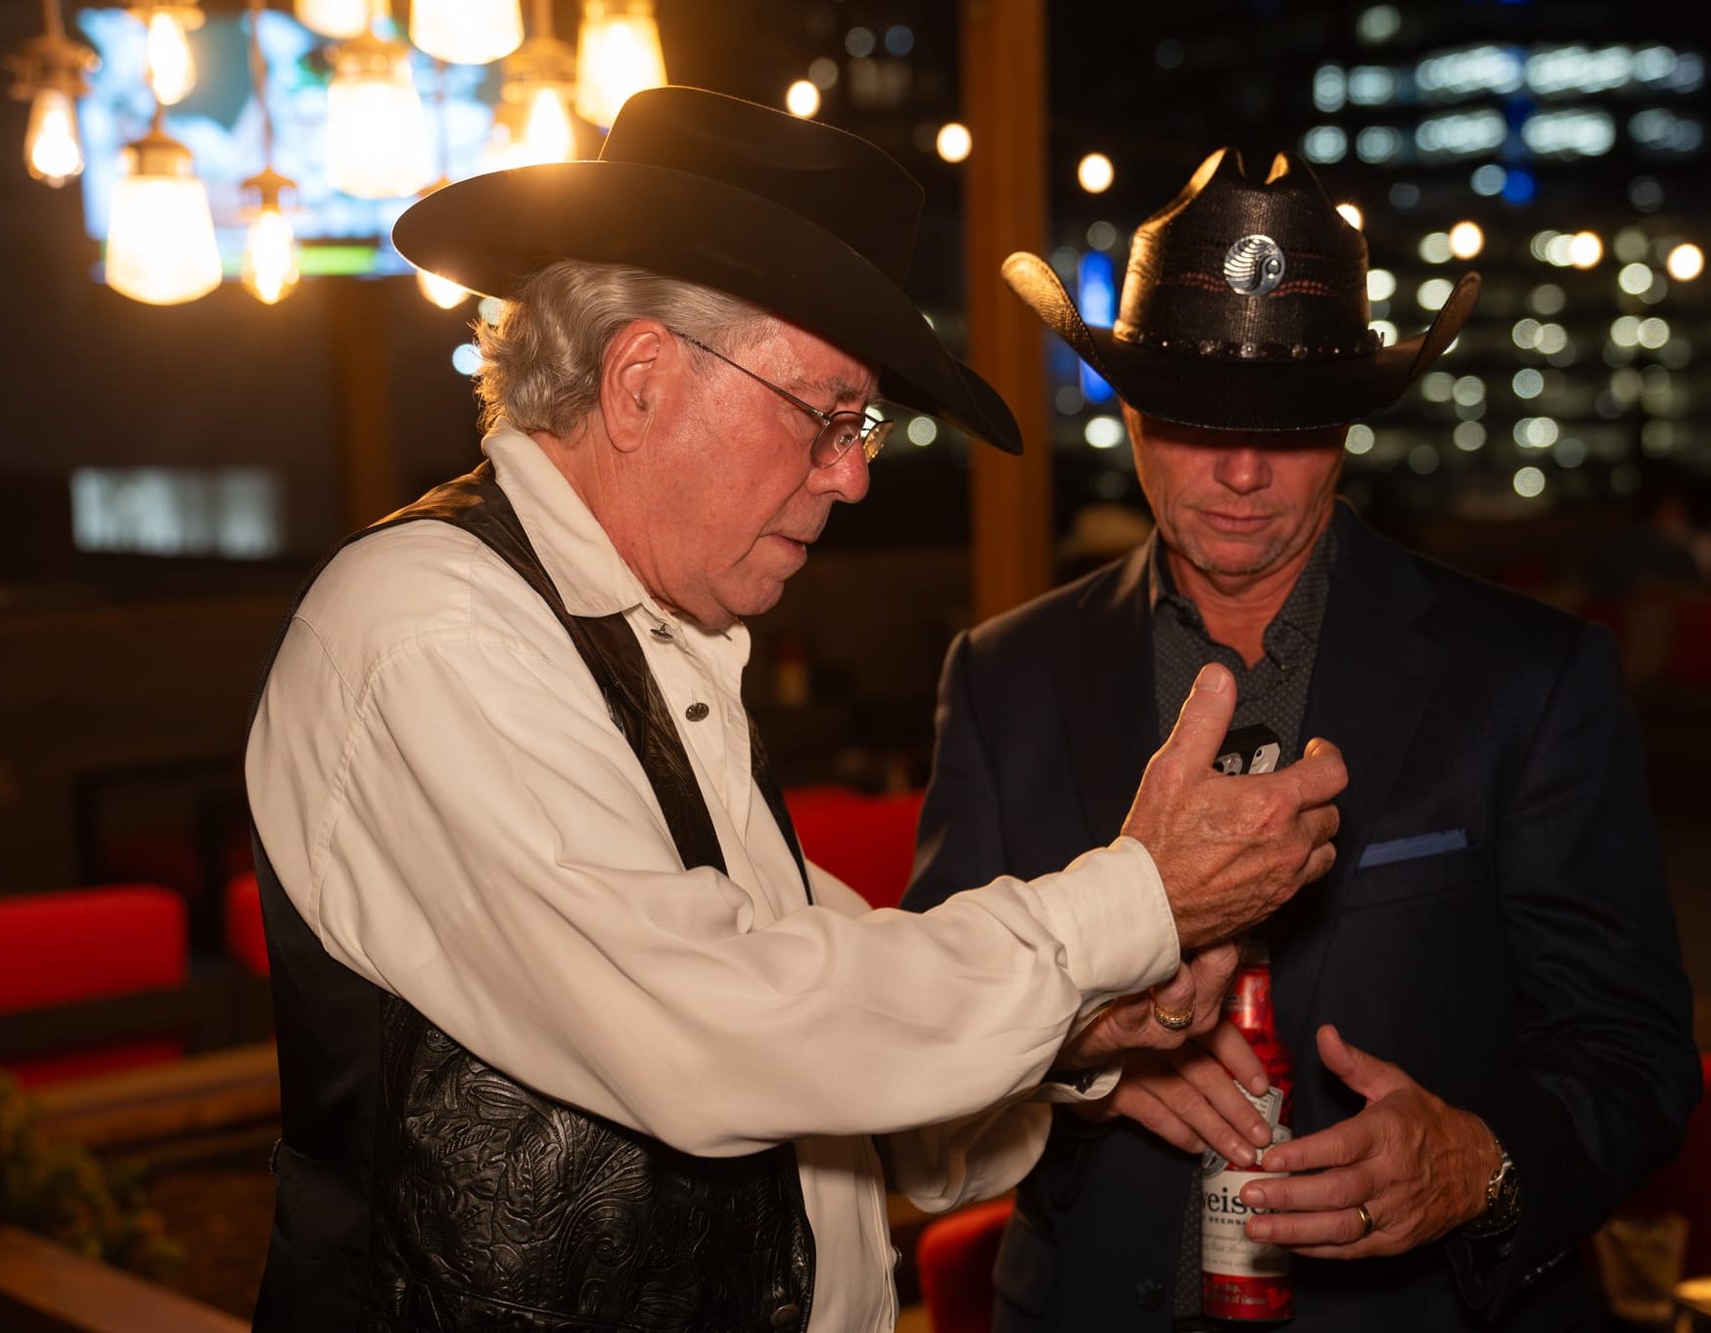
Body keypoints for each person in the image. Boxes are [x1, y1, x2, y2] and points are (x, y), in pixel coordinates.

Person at [244, 90, 1349, 1333]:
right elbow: (717, 1027)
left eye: (860, 424)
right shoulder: (431, 623)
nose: (854, 472)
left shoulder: (657, 638)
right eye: (825, 415)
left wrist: (1084, 1042)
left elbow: (834, 1039)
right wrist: (1139, 897)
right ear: (642, 379)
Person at [903, 148, 1701, 1331]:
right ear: (1124, 408)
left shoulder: (1527, 678)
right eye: (1191, 418)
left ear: (1348, 425)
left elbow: (1632, 1054)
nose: (1237, 471)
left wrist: (1479, 1163)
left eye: (1285, 425)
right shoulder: (1002, 677)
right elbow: (923, 1030)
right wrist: (1083, 1069)